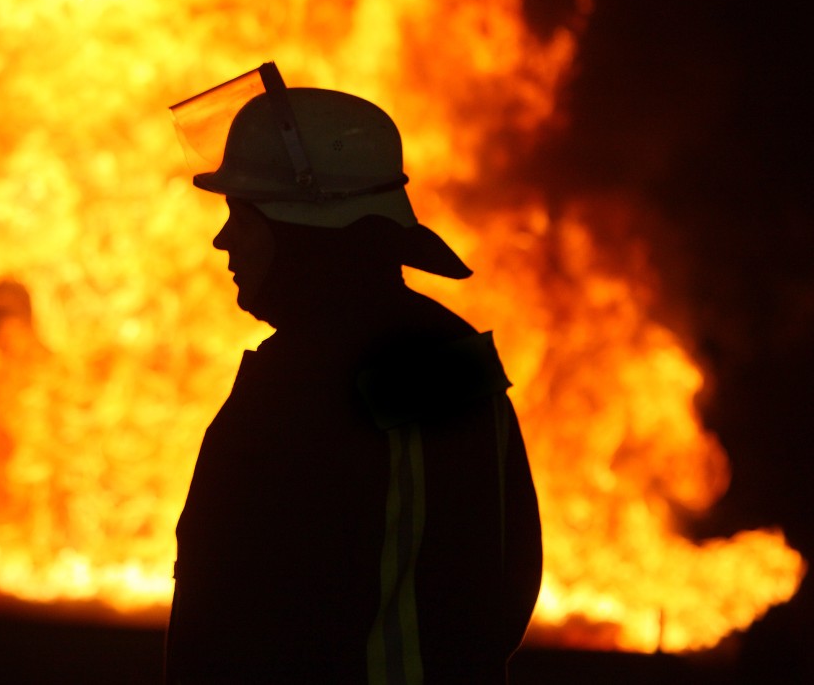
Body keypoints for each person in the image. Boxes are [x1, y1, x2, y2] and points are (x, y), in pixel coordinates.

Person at [165, 64, 543, 684]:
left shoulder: (396, 362)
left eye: (244, 214)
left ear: (306, 230)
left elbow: (433, 596)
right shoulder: (382, 354)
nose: (225, 241)